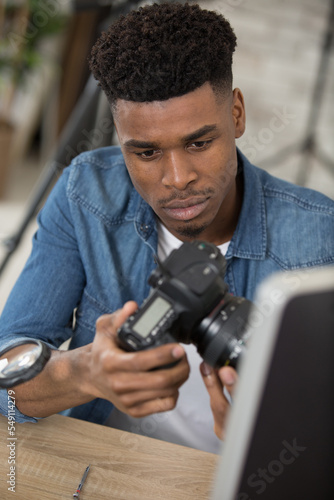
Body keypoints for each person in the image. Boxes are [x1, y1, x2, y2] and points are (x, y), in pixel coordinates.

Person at [0, 2, 333, 454]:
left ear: (236, 113)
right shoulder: (86, 193)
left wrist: (279, 442)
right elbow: (7, 374)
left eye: (199, 142)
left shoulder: (321, 238)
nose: (178, 179)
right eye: (146, 153)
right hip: (105, 466)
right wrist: (85, 373)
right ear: (120, 139)